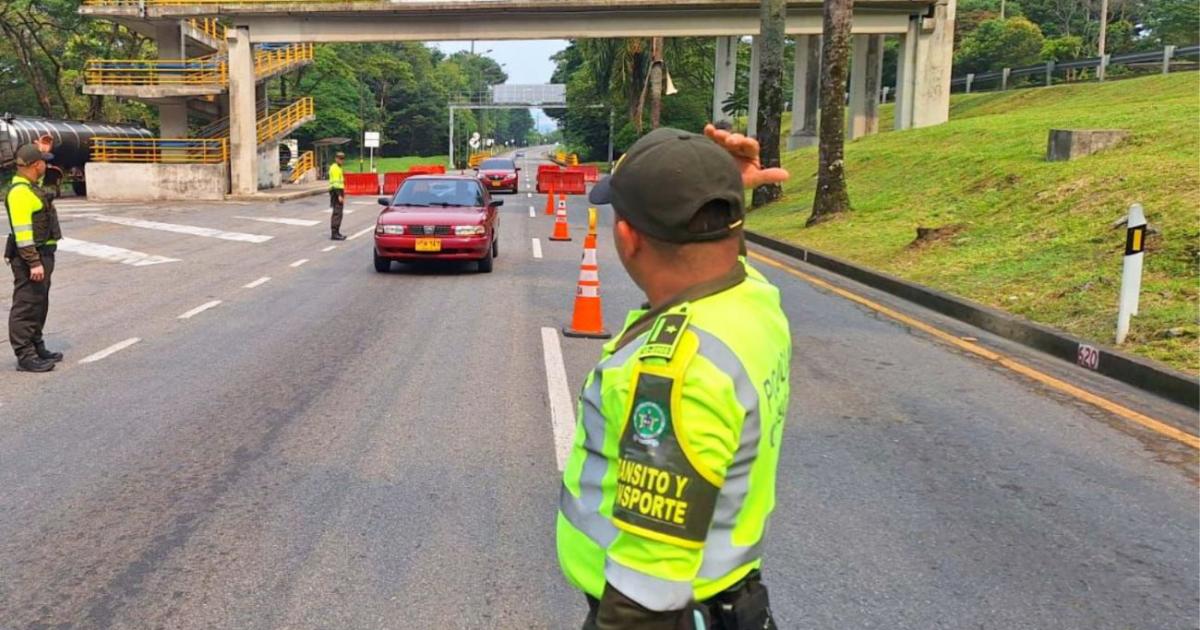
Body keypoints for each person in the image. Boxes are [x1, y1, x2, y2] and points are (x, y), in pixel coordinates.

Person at [556, 127, 792, 630]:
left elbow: (649, 587)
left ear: (627, 236)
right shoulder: (752, 300)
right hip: (730, 599)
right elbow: (731, 256)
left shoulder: (675, 375)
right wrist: (717, 190)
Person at [5, 144, 63, 373]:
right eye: (43, 162)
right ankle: (25, 356)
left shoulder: (30, 187)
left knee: (39, 303)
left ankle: (37, 347)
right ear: (35, 165)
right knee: (26, 306)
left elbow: (48, 185)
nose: (46, 165)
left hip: (43, 254)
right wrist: (34, 262)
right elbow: (22, 233)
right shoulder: (19, 193)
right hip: (31, 257)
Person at [328, 151, 347, 240]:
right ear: (336, 159)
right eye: (340, 159)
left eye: (343, 159)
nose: (341, 160)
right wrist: (339, 195)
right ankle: (334, 233)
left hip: (338, 191)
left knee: (339, 213)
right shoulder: (335, 168)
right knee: (337, 213)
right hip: (336, 192)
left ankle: (337, 232)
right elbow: (335, 183)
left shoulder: (338, 167)